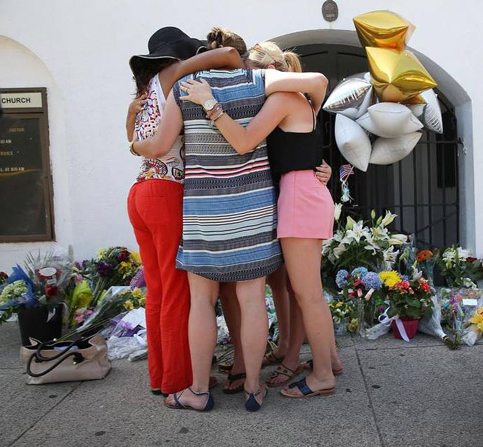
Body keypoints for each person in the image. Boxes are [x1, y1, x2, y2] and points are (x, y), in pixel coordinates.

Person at [131, 54, 330, 411]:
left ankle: (197, 390)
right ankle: (254, 388)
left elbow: (159, 147)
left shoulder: (184, 88)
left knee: (201, 302)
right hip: (253, 206)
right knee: (253, 299)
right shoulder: (258, 83)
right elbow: (316, 82)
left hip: (204, 209)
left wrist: (134, 144)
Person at [179, 41, 341, 399]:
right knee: (304, 291)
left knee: (307, 294)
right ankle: (329, 359)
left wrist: (210, 104)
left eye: (249, 74)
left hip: (299, 198)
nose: (245, 81)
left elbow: (244, 142)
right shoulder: (297, 99)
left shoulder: (283, 99)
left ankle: (323, 375)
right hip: (301, 193)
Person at [125, 26, 245, 397]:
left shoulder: (144, 95)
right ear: (176, 58)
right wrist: (202, 58)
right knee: (178, 292)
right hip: (166, 192)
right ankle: (179, 381)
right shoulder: (171, 76)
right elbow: (230, 58)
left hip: (141, 191)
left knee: (158, 292)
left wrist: (133, 146)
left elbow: (132, 140)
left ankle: (161, 378)